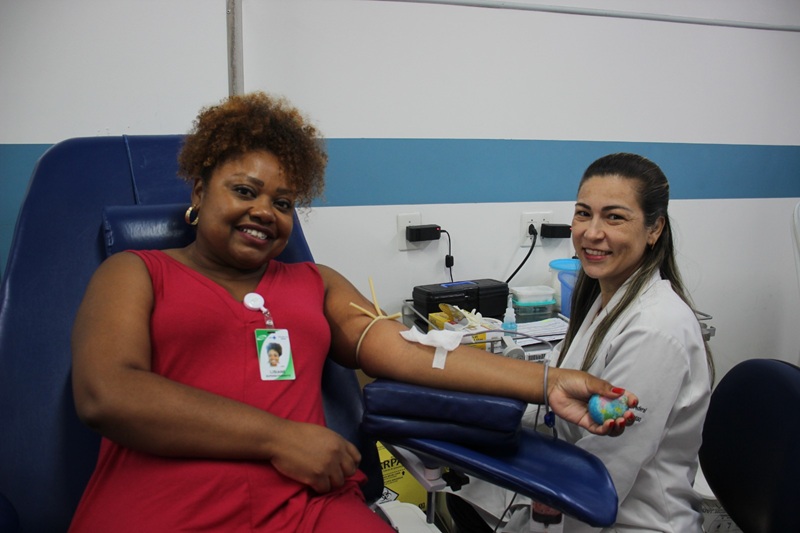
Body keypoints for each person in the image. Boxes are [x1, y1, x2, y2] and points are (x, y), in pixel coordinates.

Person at [68, 92, 637, 532]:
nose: (264, 211)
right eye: (244, 191)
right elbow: (108, 393)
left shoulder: (313, 284)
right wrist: (278, 438)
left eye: (283, 203)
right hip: (167, 502)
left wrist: (548, 383)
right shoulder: (136, 273)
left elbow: (410, 352)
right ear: (198, 191)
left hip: (303, 503)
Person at [451, 153, 714, 532]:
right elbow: (551, 393)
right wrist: (470, 416)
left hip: (628, 519)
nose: (591, 232)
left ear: (654, 228)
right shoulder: (603, 301)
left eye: (614, 217)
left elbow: (604, 473)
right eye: (583, 213)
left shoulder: (655, 330)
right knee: (462, 494)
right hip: (579, 488)